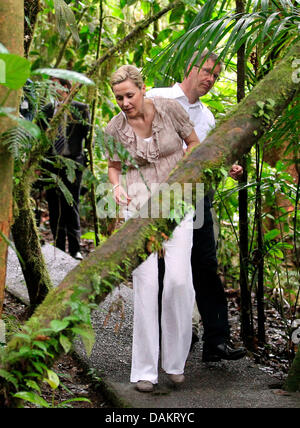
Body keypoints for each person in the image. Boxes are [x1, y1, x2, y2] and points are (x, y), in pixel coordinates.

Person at [105, 65, 200, 392]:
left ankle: (174, 362)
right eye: (119, 97)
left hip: (177, 204)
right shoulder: (115, 128)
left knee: (177, 281)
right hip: (139, 209)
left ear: (143, 89)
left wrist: (190, 176)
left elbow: (194, 144)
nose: (125, 102)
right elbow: (113, 168)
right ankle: (145, 371)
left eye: (129, 95)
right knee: (145, 285)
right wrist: (116, 188)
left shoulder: (170, 109)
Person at [147, 50, 247, 362]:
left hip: (198, 198)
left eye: (216, 76)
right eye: (206, 72)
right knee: (167, 270)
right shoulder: (157, 97)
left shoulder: (207, 117)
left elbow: (207, 161)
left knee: (205, 265)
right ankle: (175, 337)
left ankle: (217, 342)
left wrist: (225, 167)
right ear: (190, 66)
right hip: (163, 196)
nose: (210, 80)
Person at [40, 77, 90, 260]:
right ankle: (59, 246)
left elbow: (87, 134)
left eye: (56, 85)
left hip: (73, 164)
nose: (52, 88)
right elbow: (41, 138)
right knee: (54, 206)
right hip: (51, 165)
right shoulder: (46, 110)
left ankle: (75, 248)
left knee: (72, 204)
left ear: (67, 88)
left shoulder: (81, 108)